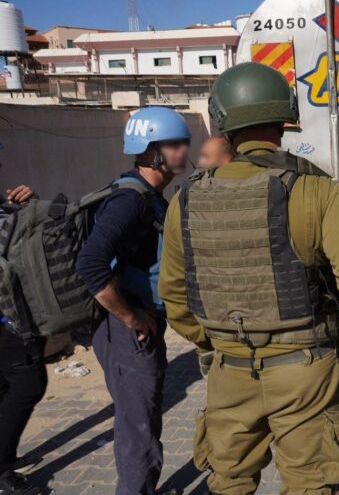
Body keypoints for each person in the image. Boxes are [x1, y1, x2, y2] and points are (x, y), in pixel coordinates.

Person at [158, 62, 339, 495]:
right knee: (309, 484)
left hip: (228, 372)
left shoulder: (185, 200)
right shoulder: (316, 190)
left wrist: (218, 341)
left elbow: (173, 296)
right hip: (305, 370)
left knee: (228, 483)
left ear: (223, 124)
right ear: (284, 119)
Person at [75, 107, 191, 495]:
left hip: (137, 325)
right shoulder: (131, 200)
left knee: (143, 419)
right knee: (137, 428)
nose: (183, 150)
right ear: (151, 150)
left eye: (184, 142)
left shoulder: (147, 194)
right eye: (174, 144)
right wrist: (131, 318)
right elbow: (90, 263)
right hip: (126, 332)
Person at [0, 186, 45, 495]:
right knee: (29, 385)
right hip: (12, 322)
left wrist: (30, 207)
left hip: (13, 319)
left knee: (5, 386)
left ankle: (4, 454)